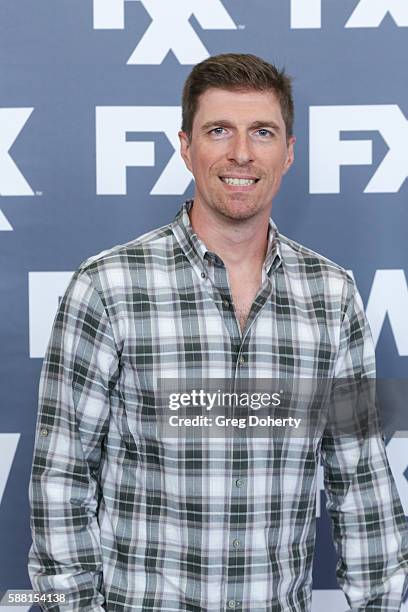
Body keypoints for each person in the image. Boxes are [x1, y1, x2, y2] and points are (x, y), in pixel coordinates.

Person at [28, 53, 408, 611]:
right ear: (186, 146)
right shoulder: (107, 287)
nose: (241, 153)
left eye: (262, 132)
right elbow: (60, 478)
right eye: (218, 130)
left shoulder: (333, 296)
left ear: (288, 153)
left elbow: (361, 481)